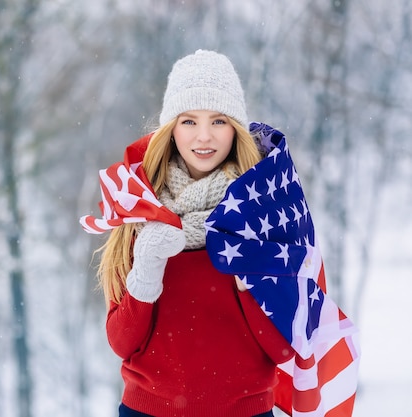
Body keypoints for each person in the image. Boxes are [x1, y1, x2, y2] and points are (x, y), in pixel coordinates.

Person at [94, 50, 294, 417]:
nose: (204, 137)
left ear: (236, 127)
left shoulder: (265, 209)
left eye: (218, 121)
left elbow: (283, 348)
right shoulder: (139, 205)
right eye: (189, 121)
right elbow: (122, 343)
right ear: (171, 128)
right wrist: (147, 269)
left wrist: (246, 271)